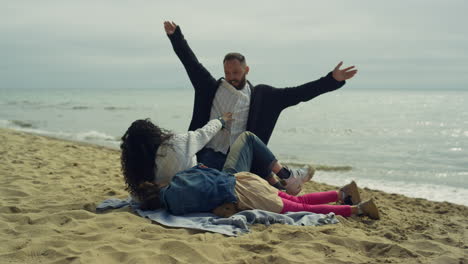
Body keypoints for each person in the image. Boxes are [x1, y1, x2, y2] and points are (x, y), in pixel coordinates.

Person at [163, 21, 358, 193]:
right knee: (202, 183)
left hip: (241, 160)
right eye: (228, 72)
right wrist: (176, 36)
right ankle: (289, 178)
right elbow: (190, 62)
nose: (232, 76)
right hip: (208, 154)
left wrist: (332, 80)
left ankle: (288, 179)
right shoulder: (209, 88)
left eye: (236, 72)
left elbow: (299, 93)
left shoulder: (263, 96)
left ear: (246, 70)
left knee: (256, 181)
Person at [120, 119, 380, 219]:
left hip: (243, 196)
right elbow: (203, 141)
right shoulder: (177, 162)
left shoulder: (169, 197)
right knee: (290, 199)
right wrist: (221, 121)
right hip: (244, 180)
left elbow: (209, 204)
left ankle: (356, 208)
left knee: (300, 209)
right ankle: (341, 193)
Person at [120, 117, 313, 198]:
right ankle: (288, 176)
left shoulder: (142, 182)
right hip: (219, 189)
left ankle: (281, 187)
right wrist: (221, 120)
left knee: (213, 157)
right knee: (248, 139)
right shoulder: (176, 144)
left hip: (197, 193)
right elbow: (203, 133)